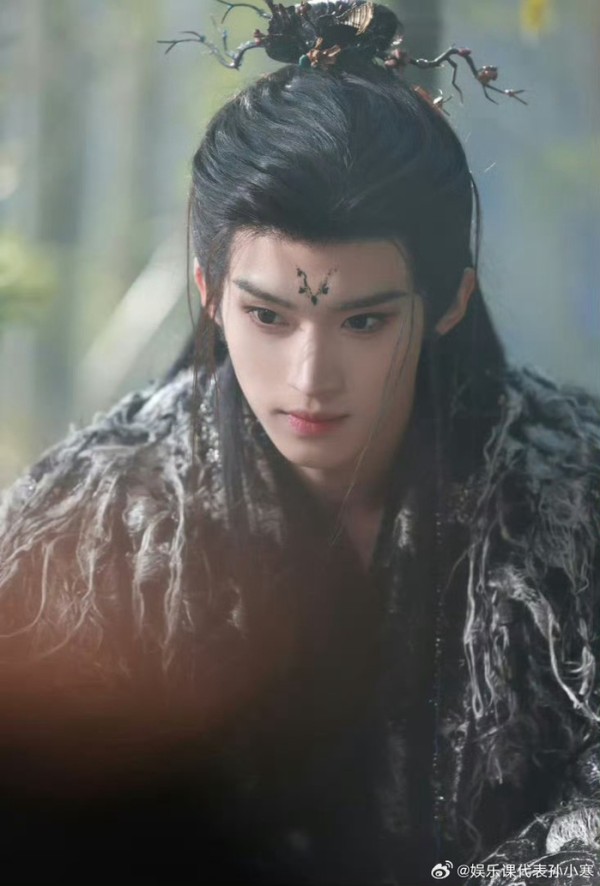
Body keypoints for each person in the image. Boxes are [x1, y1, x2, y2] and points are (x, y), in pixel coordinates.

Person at [1, 3, 599, 884]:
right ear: (210, 292)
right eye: (269, 316)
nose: (311, 378)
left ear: (449, 302)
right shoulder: (87, 525)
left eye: (364, 321)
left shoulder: (578, 495)